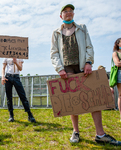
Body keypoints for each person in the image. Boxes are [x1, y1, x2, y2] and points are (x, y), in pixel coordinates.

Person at [50, 4, 121, 145]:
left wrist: (89, 62)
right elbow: (54, 53)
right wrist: (59, 69)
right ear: (61, 16)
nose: (68, 13)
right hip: (67, 70)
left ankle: (100, 134)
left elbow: (89, 46)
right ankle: (75, 132)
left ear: (73, 14)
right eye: (65, 12)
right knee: (72, 101)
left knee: (94, 99)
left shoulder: (82, 28)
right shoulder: (56, 33)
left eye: (71, 11)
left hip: (84, 68)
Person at [1, 58, 36, 123]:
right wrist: (2, 76)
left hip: (16, 77)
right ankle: (11, 115)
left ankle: (29, 115)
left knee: (22, 96)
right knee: (9, 97)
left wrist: (16, 62)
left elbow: (20, 69)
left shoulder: (20, 56)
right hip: (8, 77)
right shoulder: (6, 56)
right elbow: (3, 68)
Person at [112, 38, 121, 121]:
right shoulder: (115, 53)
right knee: (120, 95)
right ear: (118, 44)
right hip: (120, 74)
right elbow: (118, 63)